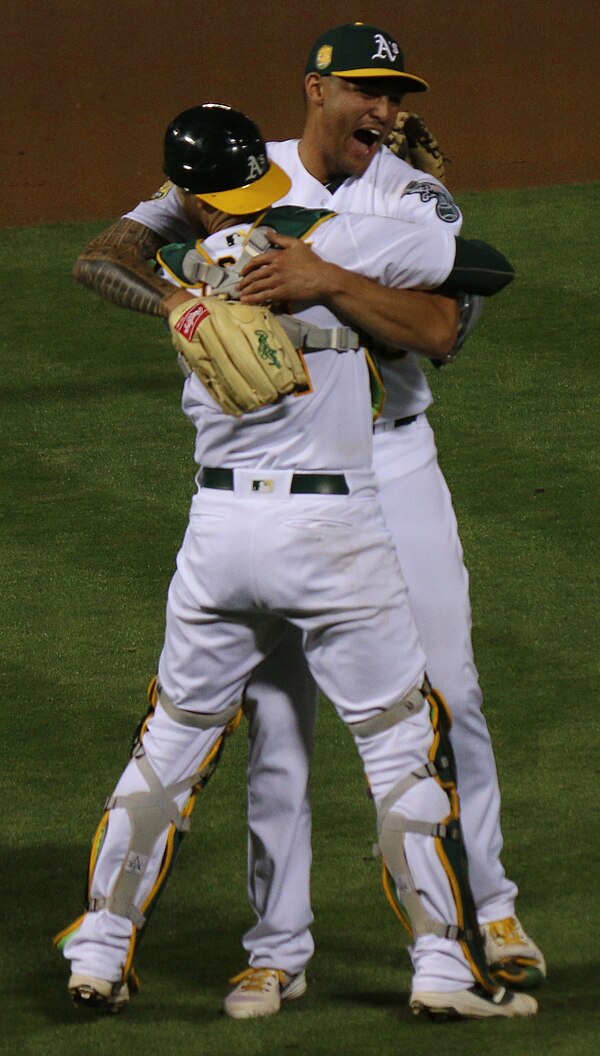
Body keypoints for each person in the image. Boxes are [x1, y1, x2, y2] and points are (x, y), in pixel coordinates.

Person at [69, 22, 545, 1019]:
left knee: (178, 738)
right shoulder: (345, 227)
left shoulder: (201, 242)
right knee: (380, 736)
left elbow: (109, 255)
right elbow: (481, 273)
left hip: (235, 521)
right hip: (337, 512)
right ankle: (401, 959)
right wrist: (329, 271)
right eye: (365, 88)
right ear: (313, 93)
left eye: (394, 91)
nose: (386, 108)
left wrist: (178, 305)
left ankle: (103, 945)